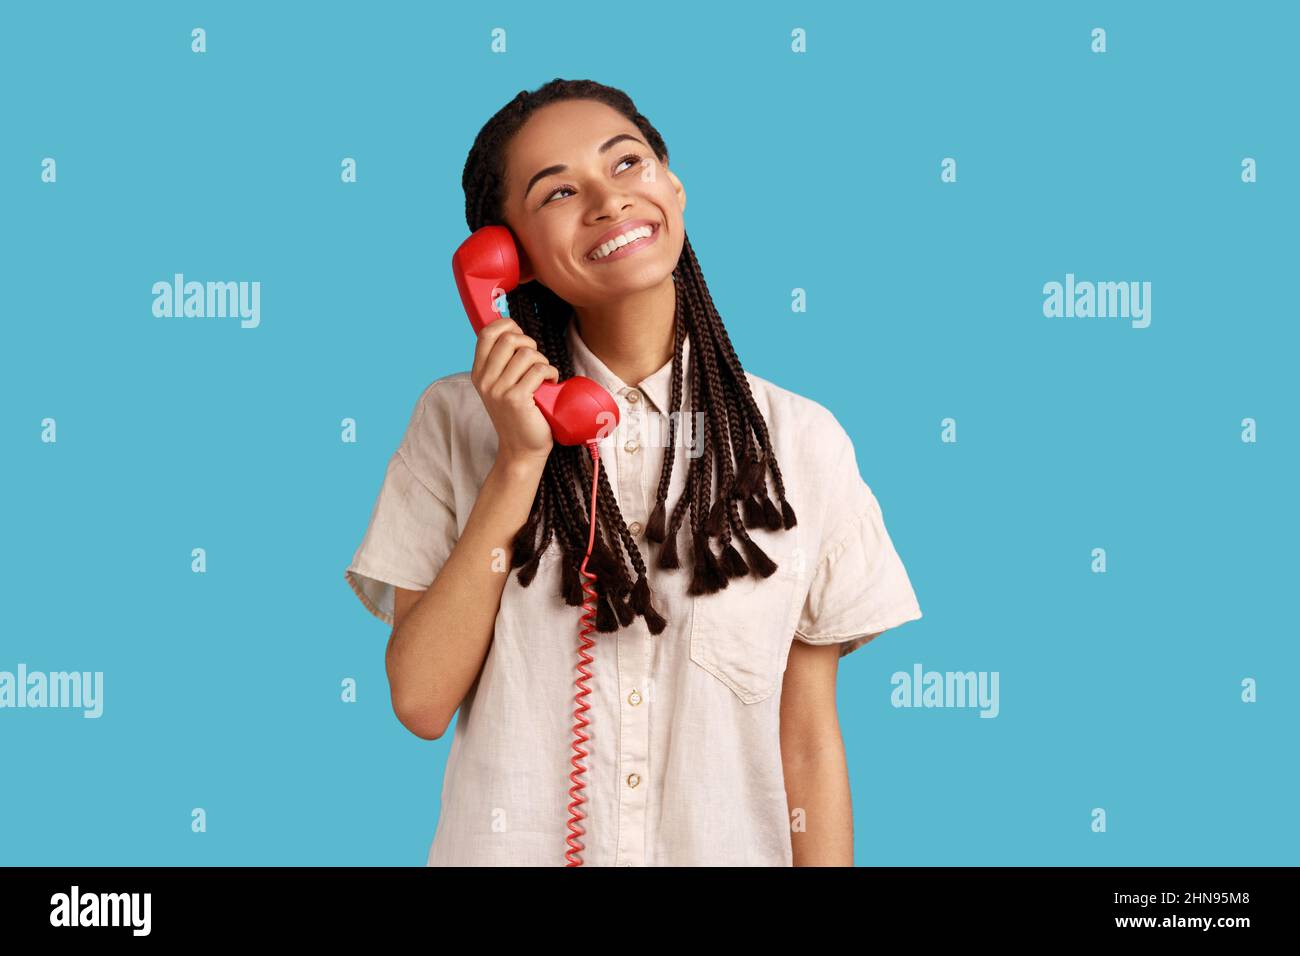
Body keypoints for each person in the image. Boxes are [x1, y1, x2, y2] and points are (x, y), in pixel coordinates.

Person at [344, 79, 923, 866]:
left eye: (627, 164)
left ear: (673, 186)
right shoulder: (453, 423)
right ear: (505, 259)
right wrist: (520, 461)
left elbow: (809, 743)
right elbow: (419, 699)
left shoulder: (802, 443)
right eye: (558, 192)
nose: (609, 201)